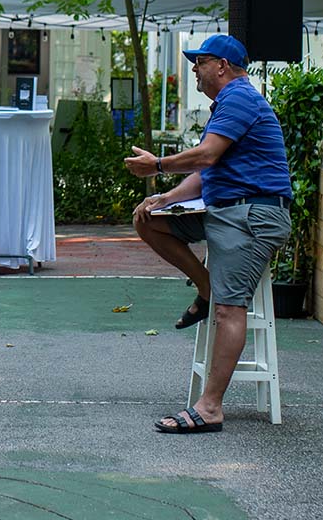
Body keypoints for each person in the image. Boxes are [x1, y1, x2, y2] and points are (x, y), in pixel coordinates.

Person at [125, 35, 291, 434]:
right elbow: (209, 173)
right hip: (227, 209)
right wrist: (165, 197)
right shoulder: (228, 105)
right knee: (147, 219)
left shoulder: (239, 98)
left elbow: (207, 155)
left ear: (221, 65)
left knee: (230, 309)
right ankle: (205, 287)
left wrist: (158, 166)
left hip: (252, 214)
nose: (194, 70)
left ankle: (210, 407)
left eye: (199, 62)